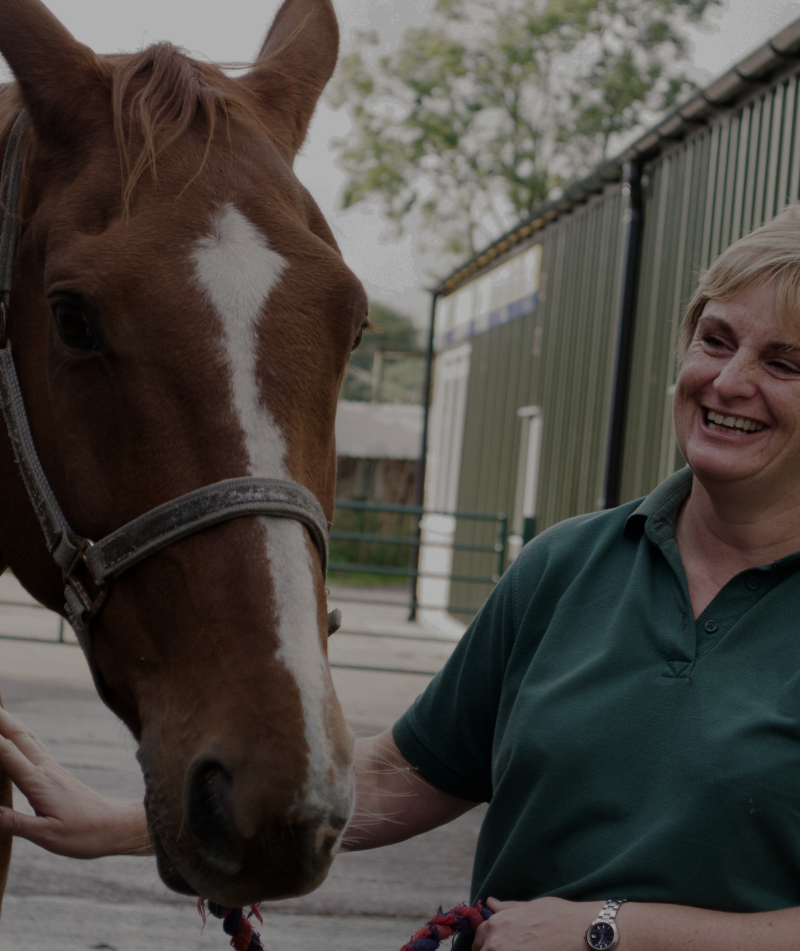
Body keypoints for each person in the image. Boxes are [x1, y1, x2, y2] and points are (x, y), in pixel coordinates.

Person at [5, 205, 800, 950]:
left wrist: (606, 929)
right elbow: (400, 774)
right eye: (716, 339)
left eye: (784, 362)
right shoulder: (568, 568)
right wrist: (126, 824)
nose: (729, 383)